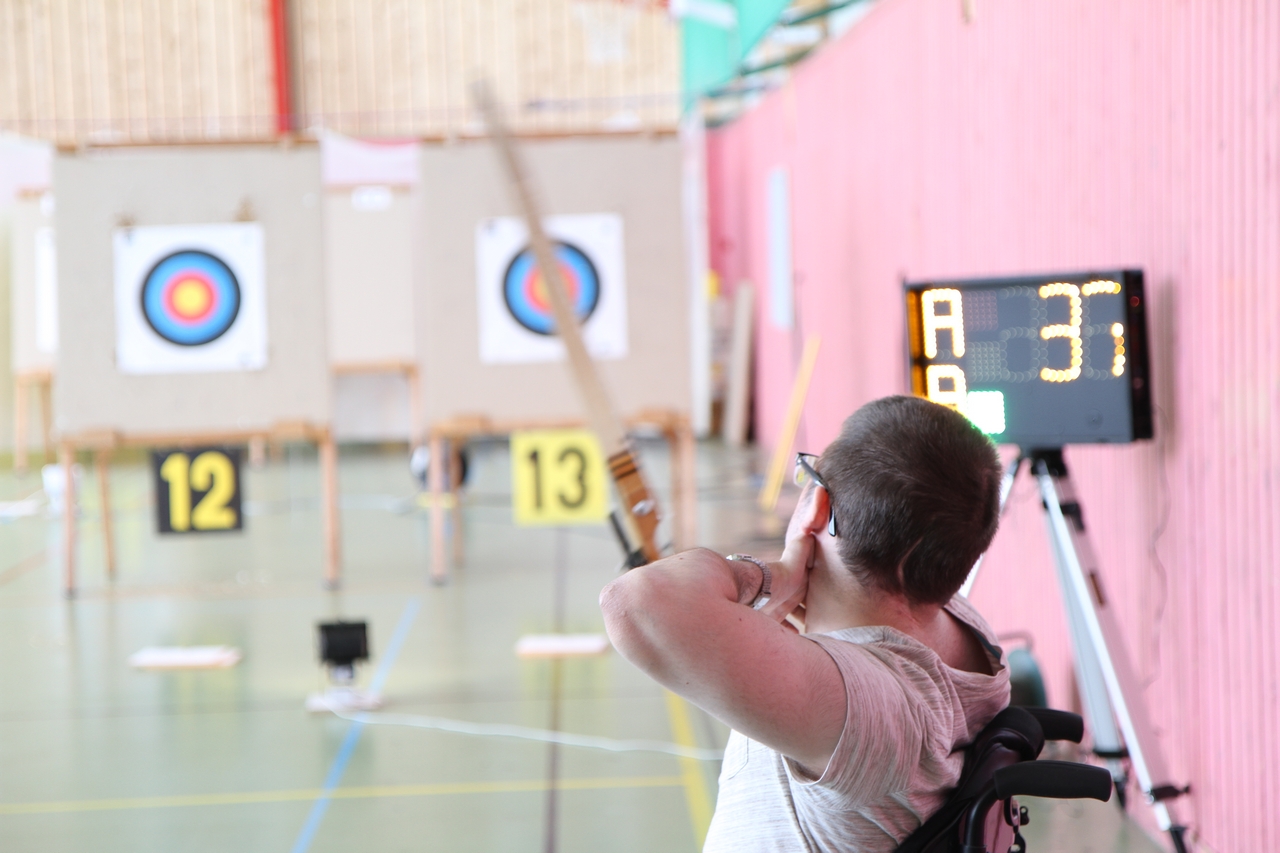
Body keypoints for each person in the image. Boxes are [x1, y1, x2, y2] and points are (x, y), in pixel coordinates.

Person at [600, 395, 1011, 851]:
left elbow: (636, 603)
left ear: (817, 507)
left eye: (808, 476)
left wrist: (770, 575)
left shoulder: (873, 711)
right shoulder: (960, 624)